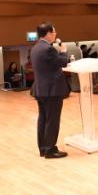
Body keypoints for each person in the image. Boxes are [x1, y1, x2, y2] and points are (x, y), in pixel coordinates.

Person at [30, 22, 70, 159]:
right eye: (54, 32)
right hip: (52, 90)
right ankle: (50, 150)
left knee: (43, 119)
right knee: (52, 120)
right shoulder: (48, 49)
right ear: (48, 34)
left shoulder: (35, 48)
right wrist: (64, 51)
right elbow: (63, 62)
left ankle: (43, 148)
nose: (55, 34)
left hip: (40, 90)